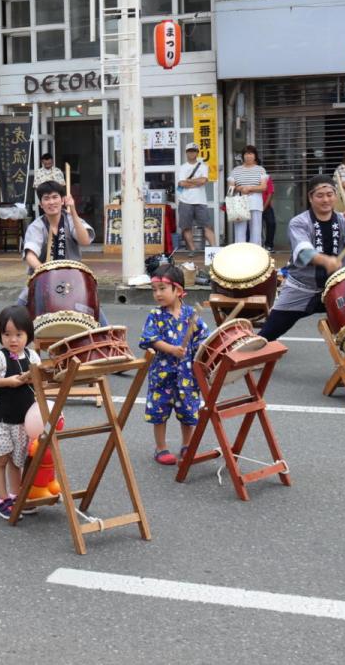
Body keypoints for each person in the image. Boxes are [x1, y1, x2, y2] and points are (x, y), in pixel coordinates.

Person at [258, 175, 345, 342]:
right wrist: (326, 261)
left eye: (330, 194)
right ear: (310, 198)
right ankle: (246, 357)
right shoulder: (299, 222)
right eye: (320, 195)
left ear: (336, 196)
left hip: (338, 288)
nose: (326, 199)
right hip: (302, 288)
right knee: (270, 331)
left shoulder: (343, 220)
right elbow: (303, 251)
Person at [139, 265, 209, 466]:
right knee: (159, 412)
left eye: (162, 288)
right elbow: (150, 339)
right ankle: (161, 448)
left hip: (187, 375)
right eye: (155, 290)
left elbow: (202, 338)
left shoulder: (191, 314)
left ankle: (187, 445)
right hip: (162, 373)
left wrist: (200, 350)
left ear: (178, 291)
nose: (157, 294)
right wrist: (171, 349)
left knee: (187, 411)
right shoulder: (155, 315)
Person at [0, 305, 41, 520]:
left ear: (28, 335)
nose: (13, 340)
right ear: (0, 335)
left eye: (18, 335)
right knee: (1, 460)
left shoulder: (33, 357)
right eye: (7, 334)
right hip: (1, 420)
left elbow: (40, 384)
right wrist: (8, 381)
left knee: (17, 461)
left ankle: (17, 496)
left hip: (23, 421)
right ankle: (2, 499)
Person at [17, 180, 108, 325]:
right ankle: (14, 344)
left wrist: (73, 210)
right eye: (46, 199)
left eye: (55, 197)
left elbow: (85, 240)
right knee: (18, 310)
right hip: (43, 282)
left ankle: (106, 337)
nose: (51, 202)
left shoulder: (71, 220)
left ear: (62, 200)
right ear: (41, 204)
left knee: (94, 312)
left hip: (72, 280)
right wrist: (44, 272)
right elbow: (30, 255)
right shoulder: (37, 226)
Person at [176, 142, 215, 252]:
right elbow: (181, 183)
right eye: (189, 151)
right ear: (186, 153)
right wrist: (195, 182)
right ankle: (192, 250)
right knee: (186, 227)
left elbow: (203, 181)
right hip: (185, 200)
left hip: (200, 201)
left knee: (207, 226)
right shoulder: (182, 167)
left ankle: (214, 249)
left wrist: (189, 181)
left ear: (197, 153)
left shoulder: (203, 166)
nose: (192, 153)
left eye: (194, 151)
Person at [227, 145, 268, 244]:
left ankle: (256, 253)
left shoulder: (260, 169)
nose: (248, 156)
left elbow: (264, 187)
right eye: (246, 154)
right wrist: (240, 188)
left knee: (256, 230)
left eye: (251, 153)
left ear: (255, 156)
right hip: (240, 201)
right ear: (243, 156)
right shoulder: (235, 170)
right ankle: (240, 253)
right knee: (239, 231)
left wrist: (250, 188)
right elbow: (230, 190)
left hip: (255, 201)